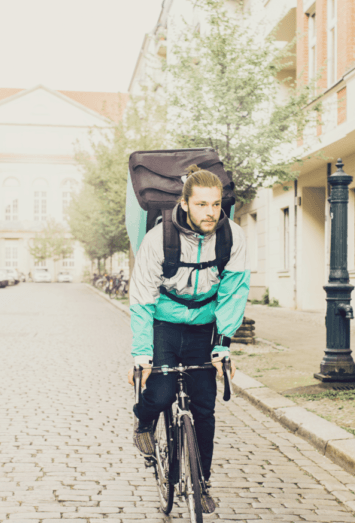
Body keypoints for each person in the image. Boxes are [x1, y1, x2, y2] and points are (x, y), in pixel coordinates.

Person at [127, 164, 249, 513]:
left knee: (205, 408)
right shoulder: (159, 239)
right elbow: (142, 296)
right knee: (162, 392)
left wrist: (222, 345)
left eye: (215, 204)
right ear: (185, 204)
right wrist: (141, 352)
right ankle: (145, 421)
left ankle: (203, 482)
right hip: (164, 324)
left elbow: (234, 291)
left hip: (202, 328)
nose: (210, 212)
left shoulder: (232, 236)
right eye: (201, 205)